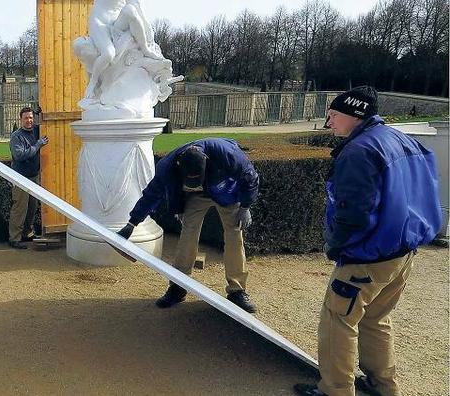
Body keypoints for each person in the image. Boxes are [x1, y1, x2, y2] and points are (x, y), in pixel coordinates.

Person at [293, 87, 442, 396]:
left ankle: (335, 390)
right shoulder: (400, 139)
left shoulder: (359, 151)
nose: (328, 123)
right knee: (376, 320)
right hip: (402, 253)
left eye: (333, 115)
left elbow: (353, 214)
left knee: (338, 322)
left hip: (368, 256)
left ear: (353, 114)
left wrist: (334, 246)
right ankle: (383, 386)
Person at [118, 138, 259, 313]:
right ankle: (178, 286)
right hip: (195, 196)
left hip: (226, 192)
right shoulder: (168, 166)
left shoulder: (227, 154)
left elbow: (250, 176)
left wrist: (245, 206)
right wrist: (132, 223)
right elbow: (152, 195)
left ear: (207, 161)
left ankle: (237, 291)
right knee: (188, 233)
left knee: (234, 233)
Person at [8, 106, 48, 249]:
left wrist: (41, 112)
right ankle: (14, 238)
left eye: (31, 117)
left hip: (33, 176)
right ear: (21, 119)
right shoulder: (16, 136)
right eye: (26, 118)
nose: (29, 120)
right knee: (20, 208)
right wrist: (38, 145)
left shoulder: (36, 131)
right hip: (20, 177)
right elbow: (20, 155)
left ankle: (27, 233)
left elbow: (44, 122)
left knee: (32, 207)